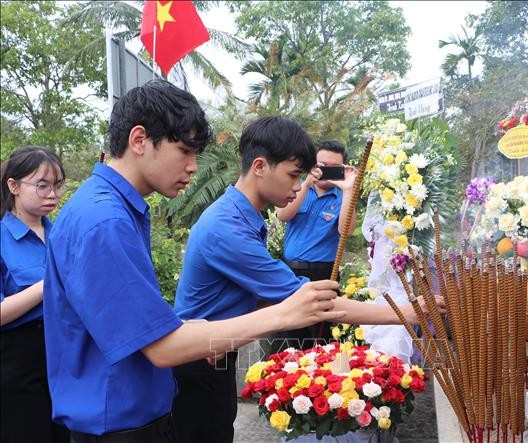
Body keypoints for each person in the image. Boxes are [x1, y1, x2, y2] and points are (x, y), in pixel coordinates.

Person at [42, 80, 343, 443]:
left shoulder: (111, 208)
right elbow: (163, 347)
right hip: (118, 422)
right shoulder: (104, 220)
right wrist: (284, 313)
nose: (193, 168)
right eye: (184, 151)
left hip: (133, 410)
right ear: (139, 140)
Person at [172, 116, 441, 443]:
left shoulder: (241, 215)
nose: (299, 185)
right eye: (293, 175)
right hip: (198, 362)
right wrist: (404, 314)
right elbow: (312, 302)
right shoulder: (227, 229)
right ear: (260, 166)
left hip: (215, 350)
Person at [0, 146, 69, 443]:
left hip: (65, 356)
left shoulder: (61, 233)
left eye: (57, 185)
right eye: (42, 185)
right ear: (13, 186)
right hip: (18, 362)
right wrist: (46, 285)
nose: (52, 194)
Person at [273, 140, 357, 350]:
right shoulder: (298, 187)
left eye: (332, 167)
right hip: (290, 272)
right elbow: (283, 214)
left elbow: (345, 231)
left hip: (324, 274)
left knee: (322, 339)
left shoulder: (343, 195)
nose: (324, 171)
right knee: (290, 337)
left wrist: (348, 190)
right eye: (321, 165)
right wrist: (307, 183)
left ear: (342, 169)